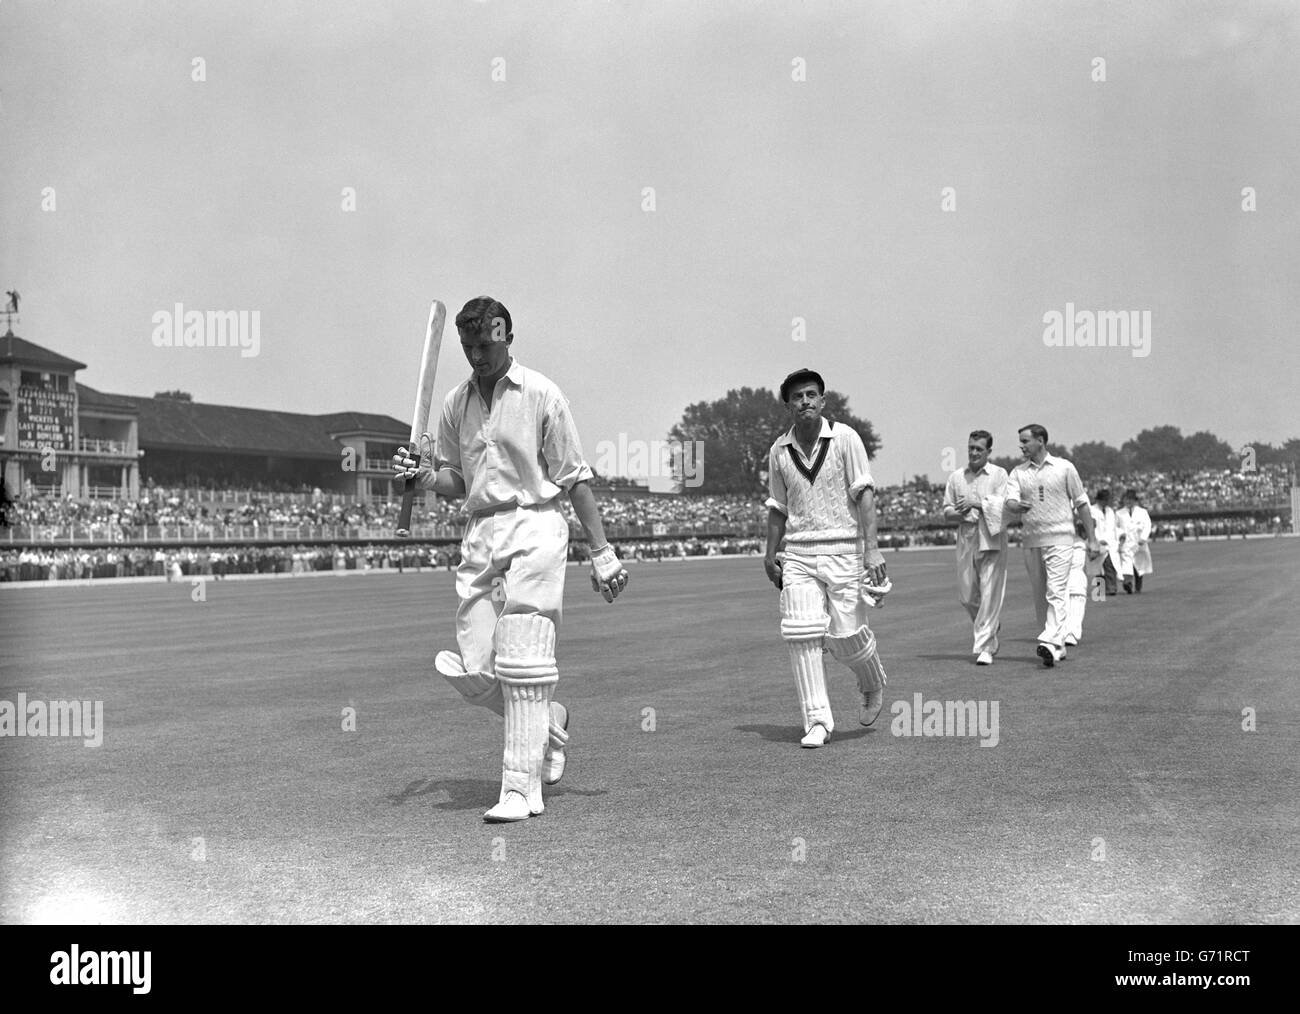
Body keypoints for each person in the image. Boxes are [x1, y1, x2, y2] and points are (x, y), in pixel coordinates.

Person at [393, 296, 628, 823]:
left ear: (506, 335)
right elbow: (460, 478)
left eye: (485, 343)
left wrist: (602, 550)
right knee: (475, 669)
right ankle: (551, 720)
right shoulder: (457, 402)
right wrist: (426, 478)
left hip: (536, 521)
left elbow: (574, 476)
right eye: (468, 346)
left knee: (523, 656)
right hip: (481, 530)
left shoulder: (542, 393)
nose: (477, 355)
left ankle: (521, 790)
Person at [762, 368, 890, 748]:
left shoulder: (846, 438)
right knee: (801, 633)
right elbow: (777, 507)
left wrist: (872, 548)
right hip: (799, 553)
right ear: (788, 405)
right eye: (798, 396)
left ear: (822, 400)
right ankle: (817, 720)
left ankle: (871, 682)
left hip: (845, 548)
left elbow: (864, 493)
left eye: (811, 395)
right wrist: (770, 554)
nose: (805, 401)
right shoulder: (778, 450)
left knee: (846, 637)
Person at [1003, 425, 1100, 667]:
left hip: (1061, 539)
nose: (1021, 446)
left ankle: (1048, 641)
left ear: (1041, 441)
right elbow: (1010, 501)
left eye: (1025, 441)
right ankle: (1056, 647)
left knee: (1056, 590)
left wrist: (1093, 538)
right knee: (1040, 595)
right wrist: (1017, 506)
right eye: (1021, 441)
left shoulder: (1065, 468)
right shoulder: (1017, 472)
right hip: (1032, 540)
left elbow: (1082, 504)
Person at [941, 430, 1008, 666]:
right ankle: (990, 623)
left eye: (979, 449)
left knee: (989, 593)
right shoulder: (957, 477)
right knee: (967, 595)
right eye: (971, 448)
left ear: (989, 451)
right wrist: (958, 512)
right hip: (966, 535)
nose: (974, 452)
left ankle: (986, 647)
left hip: (990, 537)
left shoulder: (999, 475)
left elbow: (1004, 507)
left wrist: (976, 503)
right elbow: (947, 510)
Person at [1116, 488, 1153, 593]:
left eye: (1130, 499)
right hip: (1126, 543)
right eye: (1127, 499)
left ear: (1135, 500)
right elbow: (1115, 527)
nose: (1128, 501)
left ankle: (1138, 586)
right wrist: (1120, 534)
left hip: (1138, 542)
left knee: (1139, 566)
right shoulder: (1119, 513)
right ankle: (1128, 583)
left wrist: (1144, 538)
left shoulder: (1142, 512)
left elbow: (1147, 525)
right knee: (1126, 564)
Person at [1089, 488, 1121, 596]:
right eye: (1104, 500)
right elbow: (1091, 527)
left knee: (1109, 565)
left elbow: (1112, 527)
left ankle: (1111, 588)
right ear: (1099, 500)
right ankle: (1100, 590)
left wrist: (1108, 540)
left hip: (1109, 543)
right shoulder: (1091, 510)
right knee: (1098, 567)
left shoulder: (1110, 511)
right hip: (1097, 541)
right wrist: (1098, 539)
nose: (1106, 502)